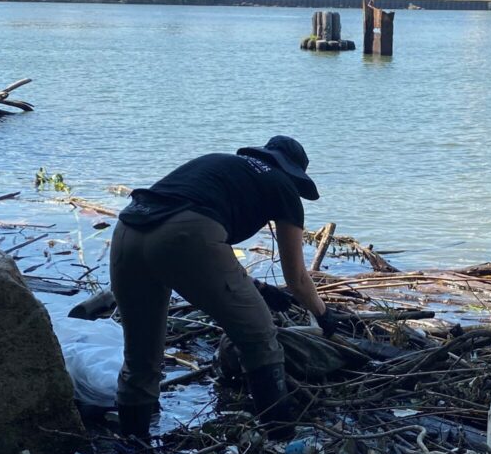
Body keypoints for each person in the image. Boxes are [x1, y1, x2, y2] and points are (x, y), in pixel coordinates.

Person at [108, 135, 342, 438]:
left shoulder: (223, 164)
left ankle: (131, 445)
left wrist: (258, 288)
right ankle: (280, 435)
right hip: (183, 236)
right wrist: (323, 314)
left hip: (128, 232)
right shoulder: (283, 187)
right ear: (294, 173)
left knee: (141, 353)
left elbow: (204, 235)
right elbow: (297, 278)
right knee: (259, 335)